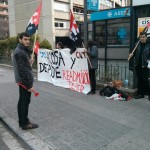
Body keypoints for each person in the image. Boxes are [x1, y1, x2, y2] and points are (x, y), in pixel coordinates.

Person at [13, 32, 38, 130]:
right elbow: (22, 71)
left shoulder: (21, 51)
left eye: (28, 39)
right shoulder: (20, 52)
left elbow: (23, 66)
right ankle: (24, 123)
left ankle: (22, 121)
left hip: (22, 81)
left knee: (22, 101)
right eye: (25, 39)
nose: (28, 41)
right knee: (25, 101)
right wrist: (28, 85)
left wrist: (29, 62)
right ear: (20, 40)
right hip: (24, 82)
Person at [129, 32, 150, 100]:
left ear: (146, 37)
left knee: (145, 80)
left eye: (143, 37)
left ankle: (148, 93)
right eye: (141, 37)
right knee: (140, 80)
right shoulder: (137, 45)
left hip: (145, 65)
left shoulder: (148, 45)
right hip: (138, 64)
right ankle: (141, 93)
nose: (142, 38)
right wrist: (131, 55)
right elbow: (134, 54)